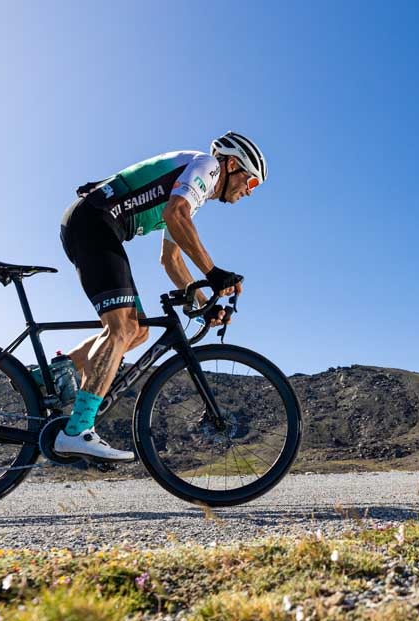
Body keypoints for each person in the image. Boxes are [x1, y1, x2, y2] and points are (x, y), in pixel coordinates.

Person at [54, 132, 266, 461]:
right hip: (95, 223)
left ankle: (51, 374)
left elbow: (172, 261)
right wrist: (213, 273)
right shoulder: (207, 166)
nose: (248, 192)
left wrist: (203, 308)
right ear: (233, 165)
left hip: (95, 226)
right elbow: (175, 215)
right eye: (250, 183)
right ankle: (77, 430)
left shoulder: (188, 192)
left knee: (137, 331)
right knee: (121, 329)